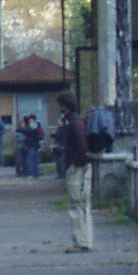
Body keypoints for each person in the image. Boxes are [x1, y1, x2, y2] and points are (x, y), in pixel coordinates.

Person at [56, 91, 93, 251]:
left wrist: (76, 161)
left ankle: (81, 241)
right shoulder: (77, 121)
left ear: (65, 105)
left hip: (77, 166)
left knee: (76, 204)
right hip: (82, 164)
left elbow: (81, 145)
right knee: (83, 204)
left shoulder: (74, 123)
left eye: (60, 105)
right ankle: (85, 239)